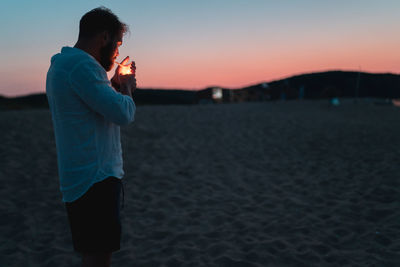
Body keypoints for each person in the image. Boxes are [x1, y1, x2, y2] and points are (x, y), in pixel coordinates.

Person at [46, 7, 136, 267]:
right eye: (118, 43)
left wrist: (116, 85)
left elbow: (99, 106)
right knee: (98, 256)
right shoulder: (82, 66)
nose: (118, 52)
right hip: (95, 178)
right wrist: (127, 88)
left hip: (83, 175)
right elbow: (123, 113)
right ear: (104, 37)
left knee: (93, 252)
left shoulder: (66, 65)